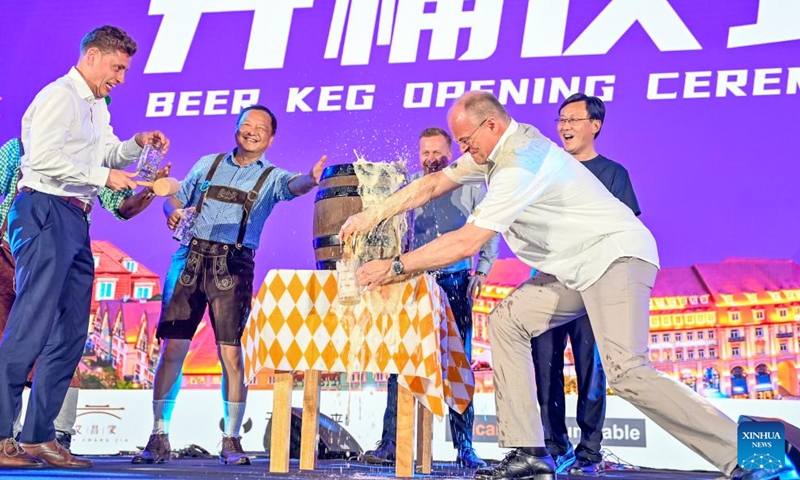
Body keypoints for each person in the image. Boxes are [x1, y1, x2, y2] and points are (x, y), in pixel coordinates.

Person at [340, 91, 772, 480]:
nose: (464, 150)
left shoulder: (520, 164)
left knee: (627, 371)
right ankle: (530, 452)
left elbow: (467, 242)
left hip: (614, 256)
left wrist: (395, 266)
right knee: (508, 321)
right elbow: (434, 183)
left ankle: (746, 455)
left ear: (491, 125)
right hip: (574, 269)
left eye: (467, 140)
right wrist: (372, 214)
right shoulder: (495, 150)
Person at [0, 25, 169, 469]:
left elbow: (108, 151)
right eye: (117, 67)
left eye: (125, 70)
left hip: (75, 219)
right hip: (44, 210)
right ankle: (1, 435)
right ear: (92, 56)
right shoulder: (61, 95)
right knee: (30, 326)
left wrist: (137, 145)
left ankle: (38, 437)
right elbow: (42, 160)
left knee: (71, 332)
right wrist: (102, 177)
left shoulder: (95, 106)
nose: (121, 78)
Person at [131, 105, 326, 467]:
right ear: (236, 128)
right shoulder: (209, 164)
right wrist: (171, 211)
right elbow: (175, 196)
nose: (251, 131)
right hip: (188, 260)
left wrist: (311, 179)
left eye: (260, 128)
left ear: (270, 137)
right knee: (172, 348)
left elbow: (292, 186)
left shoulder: (270, 176)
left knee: (231, 354)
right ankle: (158, 435)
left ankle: (232, 439)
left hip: (232, 265)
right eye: (245, 125)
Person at [362, 127, 499, 468]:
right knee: (401, 362)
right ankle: (391, 443)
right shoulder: (408, 187)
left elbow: (491, 230)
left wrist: (481, 270)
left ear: (450, 153)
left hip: (454, 283)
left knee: (458, 363)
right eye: (425, 153)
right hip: (414, 284)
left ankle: (465, 448)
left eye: (438, 152)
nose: (432, 159)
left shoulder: (471, 184)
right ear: (418, 155)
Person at [530, 93, 641, 476]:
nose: (564, 126)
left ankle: (589, 453)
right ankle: (552, 447)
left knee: (590, 370)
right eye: (561, 119)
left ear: (595, 125)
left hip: (592, 284)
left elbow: (624, 229)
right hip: (547, 282)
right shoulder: (547, 173)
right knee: (544, 370)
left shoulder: (614, 174)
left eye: (574, 119)